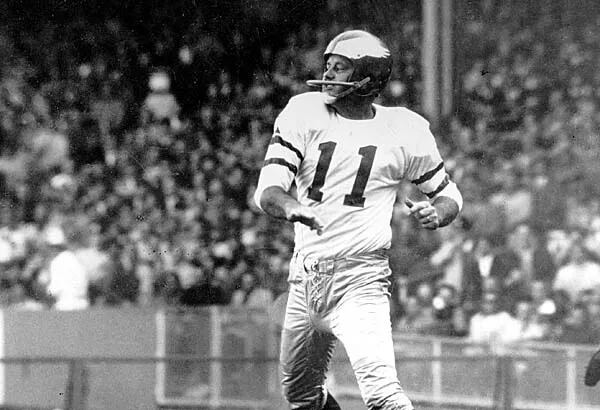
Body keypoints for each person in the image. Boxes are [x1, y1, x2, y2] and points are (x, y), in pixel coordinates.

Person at [253, 30, 463, 410]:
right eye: (328, 64)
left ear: (367, 79)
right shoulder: (304, 111)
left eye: (341, 67)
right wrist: (291, 207)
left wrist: (439, 212)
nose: (329, 73)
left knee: (382, 393)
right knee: (300, 395)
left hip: (359, 280)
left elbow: (449, 194)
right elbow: (267, 192)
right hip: (304, 279)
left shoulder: (403, 128)